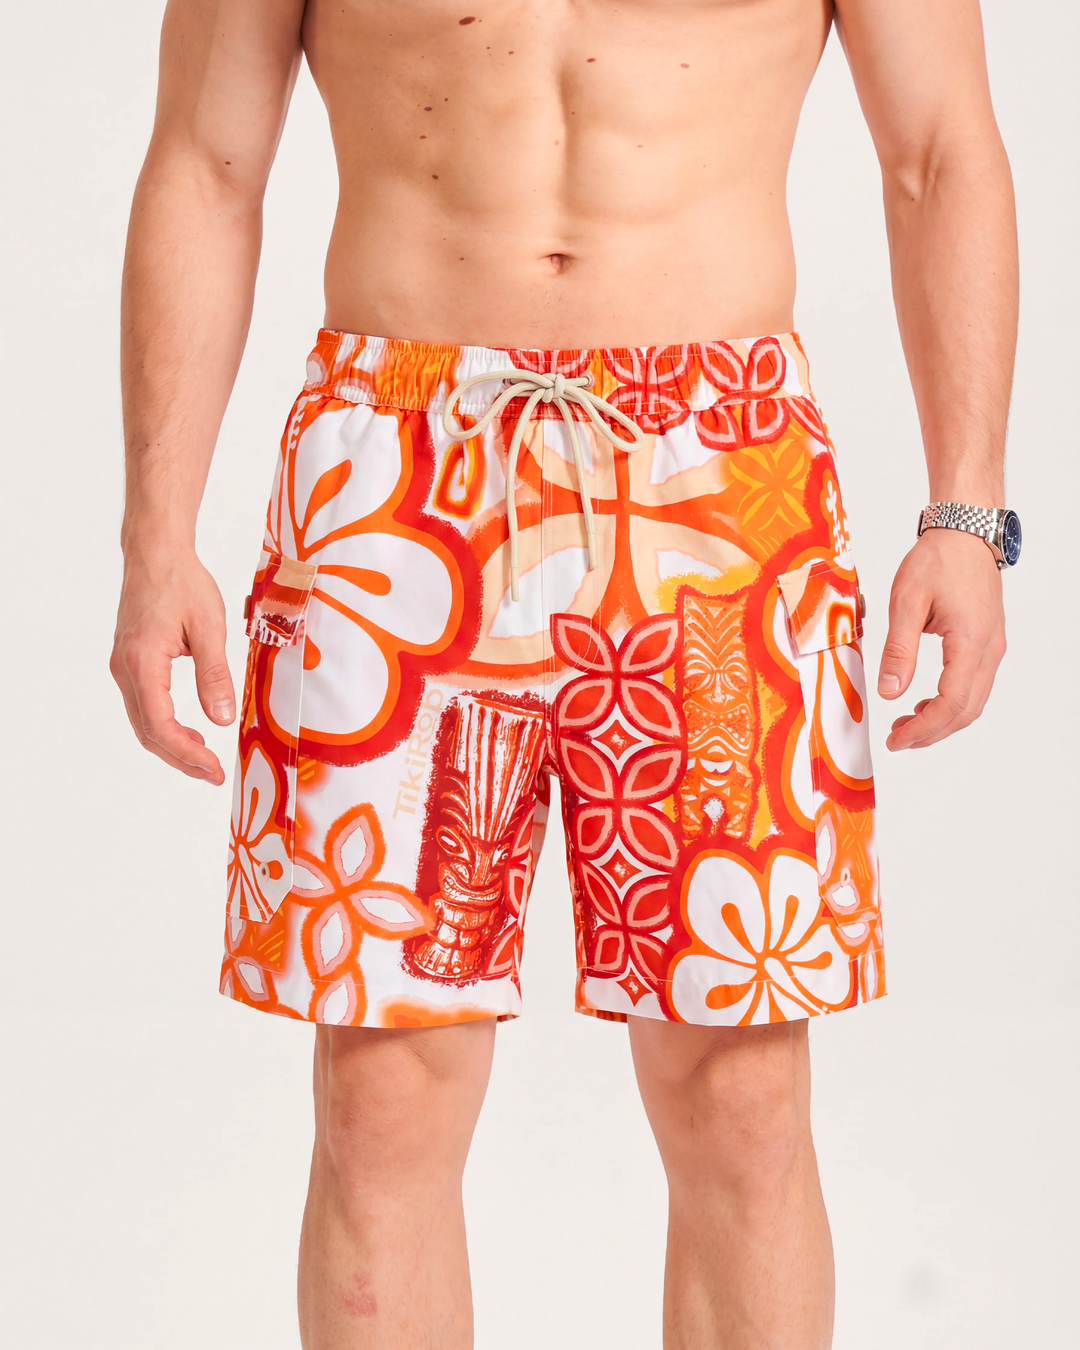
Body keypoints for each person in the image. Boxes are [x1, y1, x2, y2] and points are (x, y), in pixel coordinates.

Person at [110, 1, 1018, 1346]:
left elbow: (939, 152)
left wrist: (967, 512)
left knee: (741, 1094)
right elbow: (205, 160)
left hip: (718, 476)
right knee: (381, 1097)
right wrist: (156, 536)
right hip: (395, 472)